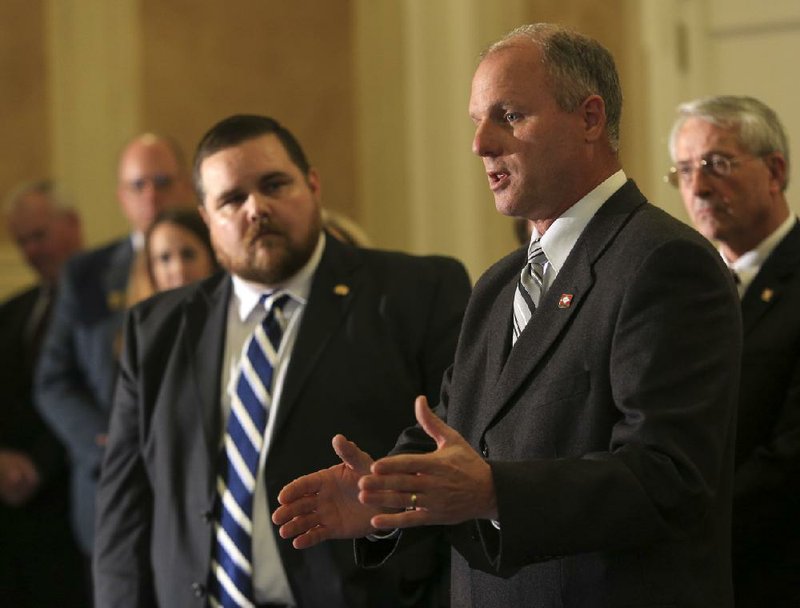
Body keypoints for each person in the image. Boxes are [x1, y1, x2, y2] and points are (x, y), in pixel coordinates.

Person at [273, 23, 742, 608]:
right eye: (477, 121)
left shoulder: (663, 262)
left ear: (590, 119)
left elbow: (669, 477)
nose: (480, 144)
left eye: (509, 116)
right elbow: (456, 430)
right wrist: (388, 492)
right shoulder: (498, 284)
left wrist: (496, 493)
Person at [93, 114, 471, 608]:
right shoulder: (157, 329)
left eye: (274, 185)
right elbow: (125, 508)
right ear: (206, 217)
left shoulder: (416, 293)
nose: (257, 209)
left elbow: (459, 463)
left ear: (313, 185)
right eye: (232, 199)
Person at [35, 133, 193, 561]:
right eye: (137, 185)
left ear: (187, 186)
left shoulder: (210, 258)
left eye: (162, 181)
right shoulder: (87, 274)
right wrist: (103, 443)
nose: (151, 195)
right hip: (107, 489)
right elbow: (53, 379)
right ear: (121, 197)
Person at [668, 95, 800, 607]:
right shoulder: (677, 289)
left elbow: (790, 455)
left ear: (775, 170)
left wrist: (687, 522)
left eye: (716, 164)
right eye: (683, 170)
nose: (697, 186)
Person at [0, 180, 88, 606]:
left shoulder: (109, 307)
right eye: (22, 241)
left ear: (71, 225)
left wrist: (37, 465)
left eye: (39, 236)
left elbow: (97, 400)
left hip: (75, 517)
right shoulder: (11, 312)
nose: (31, 251)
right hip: (11, 527)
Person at [125, 207, 220, 305]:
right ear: (149, 269)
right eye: (165, 258)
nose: (178, 269)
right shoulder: (136, 318)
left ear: (212, 258)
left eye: (188, 255)